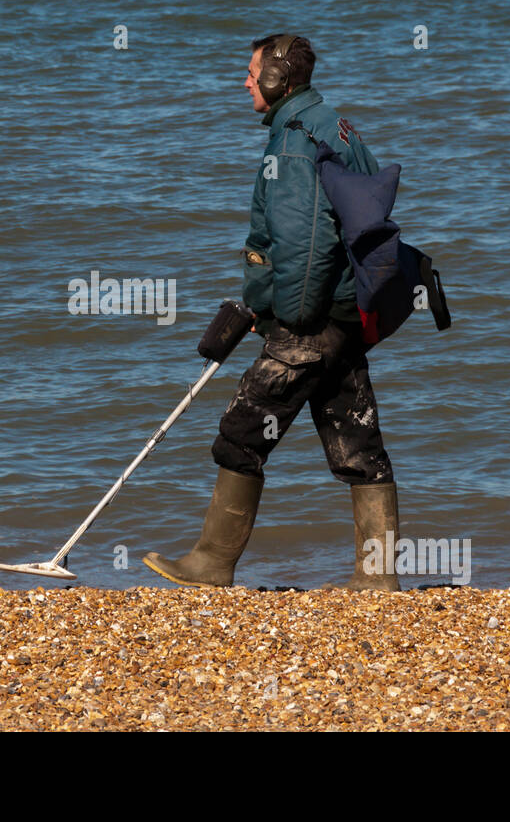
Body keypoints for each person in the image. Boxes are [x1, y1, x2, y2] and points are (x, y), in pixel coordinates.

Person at [143, 33, 401, 591]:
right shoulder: (337, 125)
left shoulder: (291, 143)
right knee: (358, 441)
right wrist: (261, 303)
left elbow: (303, 243)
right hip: (346, 315)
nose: (245, 82)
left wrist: (291, 316)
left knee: (242, 432)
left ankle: (211, 562)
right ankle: (376, 578)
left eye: (252, 71)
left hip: (311, 320)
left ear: (278, 79)